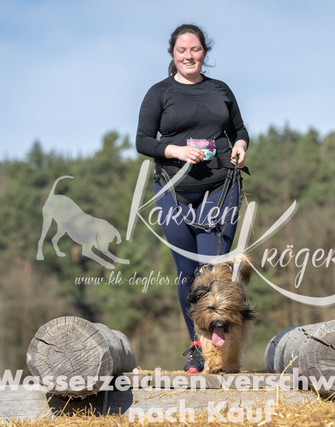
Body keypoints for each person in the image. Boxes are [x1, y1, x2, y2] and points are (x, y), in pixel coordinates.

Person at [136, 23, 250, 373]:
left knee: (213, 270)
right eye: (182, 50)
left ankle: (221, 352)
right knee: (187, 271)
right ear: (173, 54)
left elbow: (239, 130)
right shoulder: (160, 93)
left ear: (204, 52)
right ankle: (196, 346)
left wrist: (240, 145)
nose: (189, 56)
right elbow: (143, 140)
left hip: (219, 185)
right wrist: (176, 150)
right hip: (173, 189)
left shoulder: (220, 90)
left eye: (195, 49)